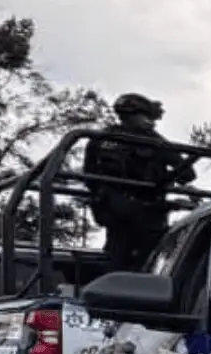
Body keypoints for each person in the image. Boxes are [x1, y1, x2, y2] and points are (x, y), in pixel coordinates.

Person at [83, 93, 195, 270]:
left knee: (129, 263)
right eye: (145, 116)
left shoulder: (104, 139)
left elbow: (186, 173)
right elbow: (89, 175)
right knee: (133, 264)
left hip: (133, 214)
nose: (148, 121)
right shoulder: (147, 140)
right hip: (129, 215)